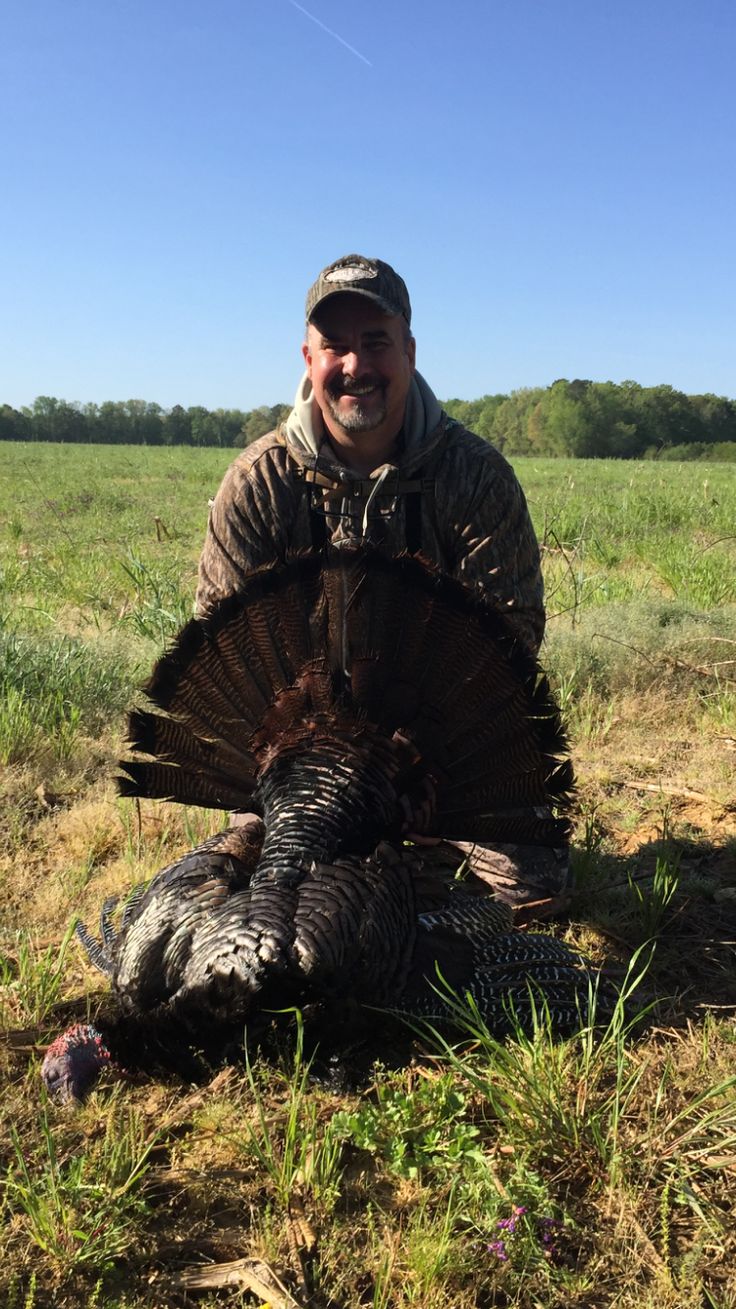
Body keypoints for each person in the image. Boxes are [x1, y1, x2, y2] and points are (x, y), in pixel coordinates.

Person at [197, 254, 569, 914]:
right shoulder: (259, 482)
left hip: (433, 756)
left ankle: (392, 881)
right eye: (336, 345)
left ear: (410, 351)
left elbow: (510, 638)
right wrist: (302, 774)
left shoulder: (474, 476)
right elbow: (229, 654)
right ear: (308, 356)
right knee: (237, 889)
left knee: (531, 885)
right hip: (299, 758)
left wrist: (422, 765)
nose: (355, 365)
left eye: (376, 342)